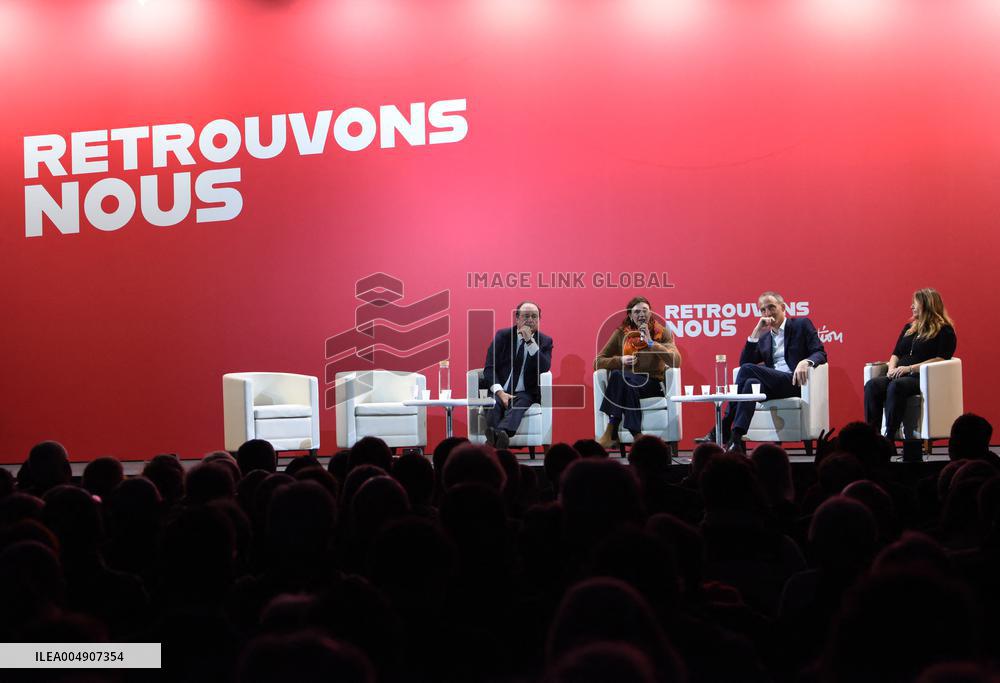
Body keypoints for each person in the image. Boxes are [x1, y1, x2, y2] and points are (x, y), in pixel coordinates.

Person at [698, 291, 826, 454]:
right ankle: (736, 438)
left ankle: (724, 425)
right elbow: (745, 362)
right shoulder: (765, 338)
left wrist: (805, 362)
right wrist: (756, 331)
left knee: (747, 371)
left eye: (771, 307)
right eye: (763, 310)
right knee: (751, 384)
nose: (767, 313)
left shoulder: (801, 324)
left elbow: (820, 352)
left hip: (795, 382)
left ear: (783, 307)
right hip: (774, 385)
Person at [864, 288, 956, 441]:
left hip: (921, 377)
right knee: (872, 385)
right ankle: (873, 437)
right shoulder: (909, 328)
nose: (911, 307)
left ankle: (890, 437)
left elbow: (942, 359)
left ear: (927, 305)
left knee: (897, 386)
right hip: (899, 373)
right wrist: (891, 369)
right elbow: (896, 354)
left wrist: (910, 368)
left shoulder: (945, 330)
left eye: (915, 304)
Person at [594, 297, 681, 449]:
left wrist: (651, 342)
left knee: (618, 377)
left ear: (650, 313)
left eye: (645, 311)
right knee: (620, 378)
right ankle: (636, 433)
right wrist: (620, 360)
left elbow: (676, 361)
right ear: (630, 315)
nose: (641, 314)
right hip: (629, 383)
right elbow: (598, 361)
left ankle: (612, 430)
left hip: (652, 383)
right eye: (637, 311)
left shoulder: (661, 332)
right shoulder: (621, 333)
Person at [482, 301, 553, 449]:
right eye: (526, 316)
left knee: (520, 403)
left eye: (534, 316)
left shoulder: (545, 341)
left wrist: (530, 342)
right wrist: (501, 393)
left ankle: (496, 436)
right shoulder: (503, 336)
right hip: (500, 389)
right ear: (517, 318)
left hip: (526, 392)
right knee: (493, 403)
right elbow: (489, 368)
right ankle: (500, 437)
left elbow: (544, 368)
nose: (530, 320)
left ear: (539, 320)